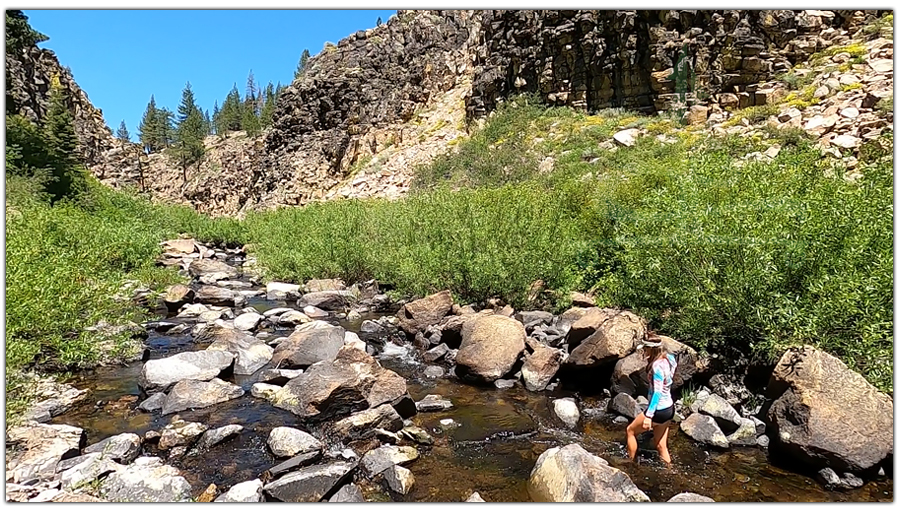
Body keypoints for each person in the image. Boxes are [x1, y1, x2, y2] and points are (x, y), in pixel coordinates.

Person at [625, 332, 677, 464]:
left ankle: (630, 464)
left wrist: (649, 416)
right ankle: (669, 472)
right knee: (661, 446)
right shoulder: (669, 359)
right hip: (669, 409)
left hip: (658, 410)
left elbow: (657, 392)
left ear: (650, 349)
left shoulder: (657, 366)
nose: (643, 351)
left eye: (645, 349)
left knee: (630, 431)